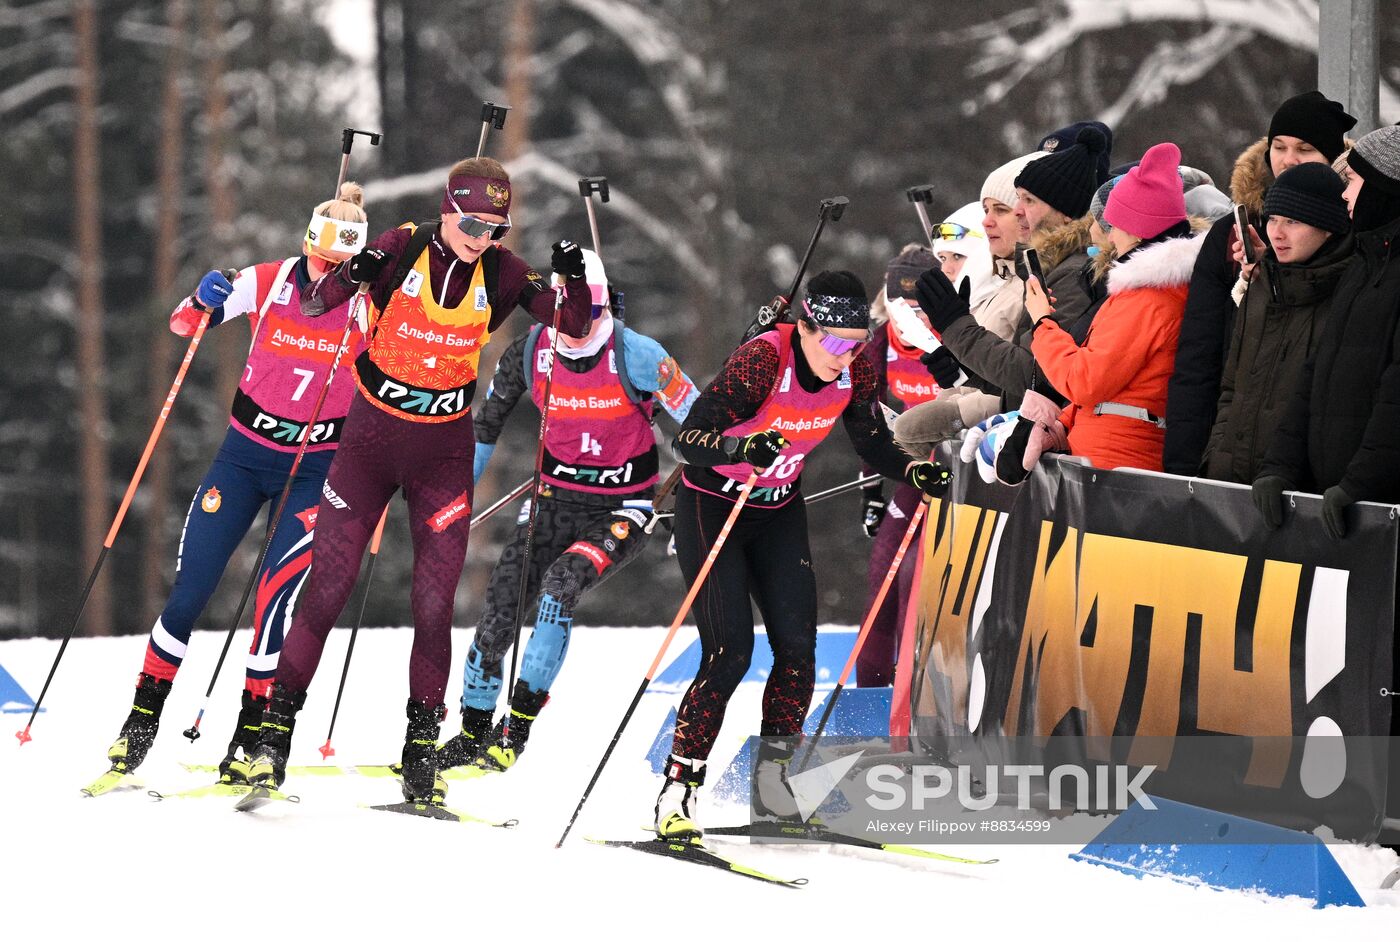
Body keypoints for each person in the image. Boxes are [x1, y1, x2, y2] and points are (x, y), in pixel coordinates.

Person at [246, 157, 593, 805]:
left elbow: (573, 327)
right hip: (369, 443)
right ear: (446, 207)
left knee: (434, 606)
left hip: (442, 452)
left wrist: (573, 278)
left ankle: (419, 756)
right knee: (326, 591)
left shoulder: (507, 271)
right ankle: (271, 742)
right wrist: (359, 273)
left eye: (497, 225)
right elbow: (320, 300)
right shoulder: (403, 245)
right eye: (472, 221)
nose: (482, 235)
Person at [652, 271, 953, 838]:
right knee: (730, 652)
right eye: (834, 342)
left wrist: (915, 470)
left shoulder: (855, 367)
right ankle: (678, 791)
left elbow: (870, 440)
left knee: (797, 649)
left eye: (856, 342)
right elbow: (687, 441)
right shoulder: (763, 361)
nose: (845, 356)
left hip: (778, 510)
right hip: (713, 507)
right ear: (805, 328)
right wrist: (740, 445)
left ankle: (774, 792)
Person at [104, 184, 370, 784]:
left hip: (315, 468)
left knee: (275, 602)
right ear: (308, 246)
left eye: (345, 267)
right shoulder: (269, 280)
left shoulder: (367, 303)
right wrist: (203, 296)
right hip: (242, 459)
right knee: (188, 593)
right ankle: (138, 728)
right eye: (325, 262)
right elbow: (183, 324)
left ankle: (250, 743)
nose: (331, 276)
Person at [436, 249, 699, 772]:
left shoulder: (638, 353)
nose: (577, 331)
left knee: (560, 586)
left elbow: (699, 422)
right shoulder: (530, 351)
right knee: (500, 607)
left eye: (590, 316)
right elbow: (486, 426)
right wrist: (454, 500)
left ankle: (515, 731)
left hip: (621, 507)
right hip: (552, 501)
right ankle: (471, 734)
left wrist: (694, 467)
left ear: (605, 307)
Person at [1164, 91, 1356, 474]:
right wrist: (1186, 465)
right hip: (1229, 449)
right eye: (1279, 146)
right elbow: (1200, 357)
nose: (1288, 159)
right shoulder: (1233, 231)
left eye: (1305, 148)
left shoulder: (1357, 237)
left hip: (1304, 470)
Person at [1028, 142, 1206, 472]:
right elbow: (1112, 384)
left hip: (1117, 463)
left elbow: (1086, 380)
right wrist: (1061, 425)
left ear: (1137, 229)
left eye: (1115, 226)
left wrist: (1042, 324)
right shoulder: (1149, 291)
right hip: (1113, 452)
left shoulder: (1149, 298)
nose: (1110, 239)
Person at [917, 125, 1110, 414]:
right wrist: (965, 369)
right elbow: (1025, 381)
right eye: (1017, 199)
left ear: (1065, 213)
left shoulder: (1072, 274)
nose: (1018, 209)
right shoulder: (1044, 267)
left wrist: (957, 327)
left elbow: (1035, 377)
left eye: (1028, 200)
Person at [1204, 163, 1353, 483]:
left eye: (1293, 220)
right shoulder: (1261, 283)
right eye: (1272, 218)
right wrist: (1217, 454)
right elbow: (1231, 388)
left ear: (1328, 227)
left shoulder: (1348, 296)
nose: (1277, 232)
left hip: (1299, 493)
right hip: (1231, 481)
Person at [857, 246, 943, 687]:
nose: (909, 319)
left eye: (919, 308)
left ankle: (915, 692)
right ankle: (871, 693)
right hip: (912, 472)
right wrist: (870, 492)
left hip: (956, 474)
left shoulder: (954, 337)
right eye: (899, 307)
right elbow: (867, 422)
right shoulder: (878, 344)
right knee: (883, 571)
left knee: (915, 576)